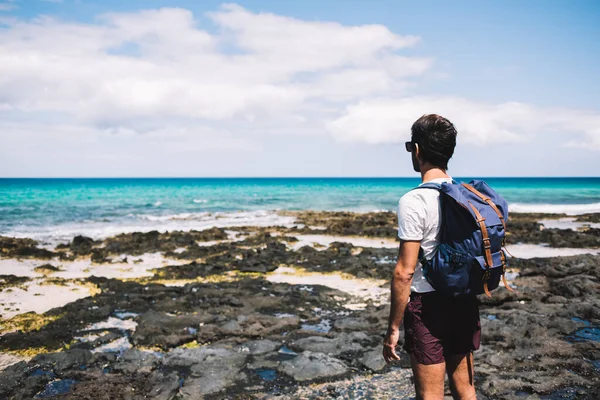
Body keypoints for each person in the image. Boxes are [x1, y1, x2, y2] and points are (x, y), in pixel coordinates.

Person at [382, 114, 480, 400]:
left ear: (417, 150)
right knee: (465, 389)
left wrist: (393, 328)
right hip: (463, 299)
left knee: (430, 395)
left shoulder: (414, 200)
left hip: (428, 308)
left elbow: (404, 272)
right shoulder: (467, 195)